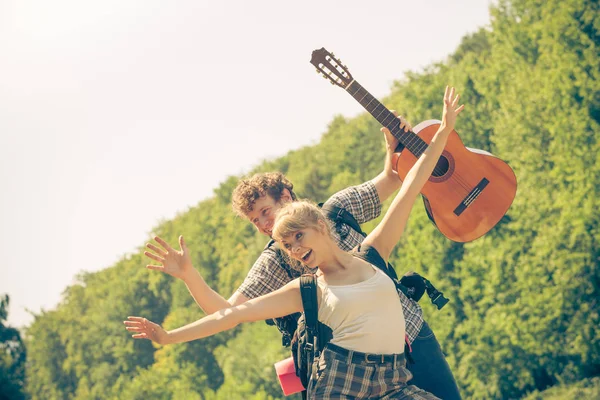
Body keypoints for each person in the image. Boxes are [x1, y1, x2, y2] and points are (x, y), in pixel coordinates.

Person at [126, 86, 464, 399]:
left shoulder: (352, 225)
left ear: (317, 221)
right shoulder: (301, 285)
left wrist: (441, 132)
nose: (291, 247)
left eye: (295, 235)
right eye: (283, 243)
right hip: (348, 386)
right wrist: (173, 324)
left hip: (404, 355)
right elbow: (228, 315)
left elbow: (404, 185)